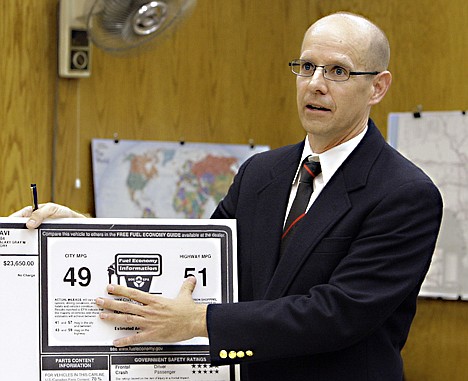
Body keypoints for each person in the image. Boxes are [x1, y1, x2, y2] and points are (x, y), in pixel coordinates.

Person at [13, 12, 443, 381]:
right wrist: (83, 237)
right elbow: (194, 259)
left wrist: (199, 320)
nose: (315, 84)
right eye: (306, 66)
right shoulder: (261, 172)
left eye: (338, 71)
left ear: (378, 87)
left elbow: (337, 313)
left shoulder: (405, 194)